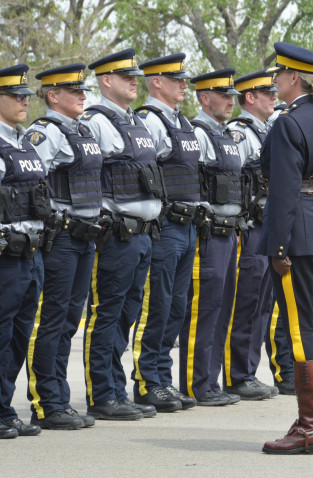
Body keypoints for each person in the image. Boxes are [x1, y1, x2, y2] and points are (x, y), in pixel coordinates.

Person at [259, 41, 313, 455]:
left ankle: (311, 430)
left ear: (294, 77)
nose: (275, 82)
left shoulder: (287, 124)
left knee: (299, 333)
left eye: (278, 75)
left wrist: (277, 245)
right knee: (310, 331)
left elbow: (285, 192)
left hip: (298, 240)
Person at [82, 49, 162, 420]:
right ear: (105, 81)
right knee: (107, 314)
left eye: (135, 75)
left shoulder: (137, 123)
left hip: (143, 235)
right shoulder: (95, 122)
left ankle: (116, 389)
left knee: (126, 315)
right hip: (115, 235)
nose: (134, 80)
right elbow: (85, 180)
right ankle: (102, 394)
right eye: (125, 75)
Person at [24, 63, 100, 430]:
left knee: (70, 319)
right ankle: (46, 402)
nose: (83, 95)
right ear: (53, 95)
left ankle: (60, 398)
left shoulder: (81, 129)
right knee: (51, 319)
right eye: (75, 90)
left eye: (83, 89)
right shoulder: (44, 133)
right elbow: (27, 184)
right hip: (62, 237)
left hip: (85, 237)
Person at [130, 53, 201, 412]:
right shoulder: (150, 120)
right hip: (167, 226)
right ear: (156, 81)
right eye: (177, 80)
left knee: (177, 306)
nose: (184, 85)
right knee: (157, 304)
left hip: (187, 227)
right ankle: (147, 382)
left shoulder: (181, 122)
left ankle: (162, 377)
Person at [180, 68, 244, 407]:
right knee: (204, 310)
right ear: (205, 98)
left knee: (222, 309)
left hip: (229, 233)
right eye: (225, 95)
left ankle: (211, 380)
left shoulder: (227, 135)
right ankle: (196, 384)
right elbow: (193, 183)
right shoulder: (198, 132)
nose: (231, 101)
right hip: (209, 234)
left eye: (233, 96)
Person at [223, 69, 280, 401]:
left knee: (261, 304)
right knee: (244, 303)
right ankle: (237, 373)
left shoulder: (265, 132)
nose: (274, 97)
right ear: (250, 98)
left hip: (265, 229)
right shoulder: (239, 135)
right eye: (266, 92)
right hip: (248, 229)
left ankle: (248, 370)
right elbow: (233, 187)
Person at [0, 64, 45, 439]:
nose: (24, 101)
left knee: (18, 334)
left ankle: (4, 407)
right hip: (5, 256)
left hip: (31, 254)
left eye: (26, 96)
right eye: (16, 96)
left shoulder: (24, 142)